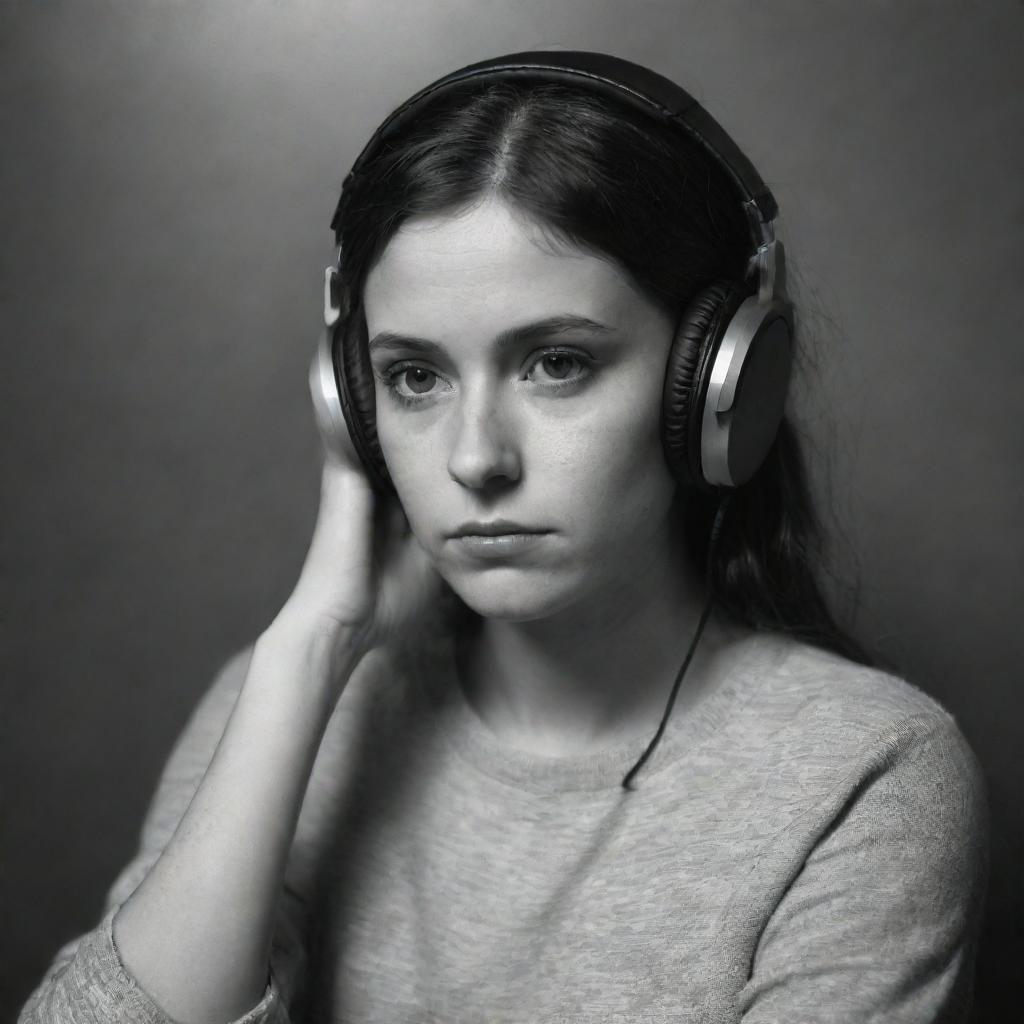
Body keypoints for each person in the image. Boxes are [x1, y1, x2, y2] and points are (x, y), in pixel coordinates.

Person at [20, 51, 988, 1024]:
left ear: (720, 387)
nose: (475, 459)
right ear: (349, 407)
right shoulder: (283, 709)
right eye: (412, 377)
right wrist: (309, 647)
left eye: (556, 363)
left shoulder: (866, 770)